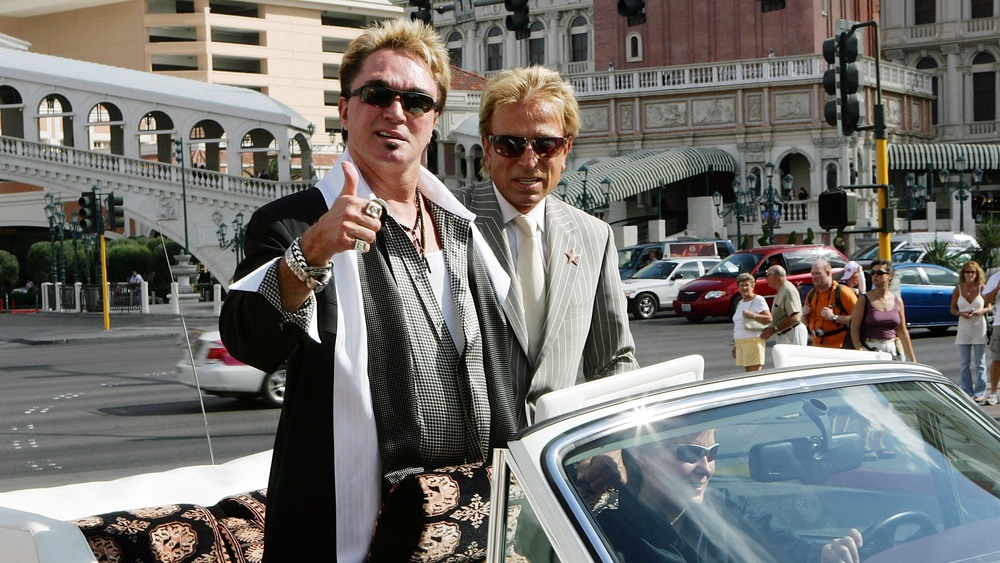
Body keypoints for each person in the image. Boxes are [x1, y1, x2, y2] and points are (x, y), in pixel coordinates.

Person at [219, 19, 519, 562]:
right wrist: (309, 254)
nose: (396, 112)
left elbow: (502, 374)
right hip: (350, 529)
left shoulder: (463, 228)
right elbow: (250, 339)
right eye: (377, 94)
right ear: (345, 108)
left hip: (468, 525)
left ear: (434, 119)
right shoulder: (293, 223)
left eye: (417, 101)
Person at [457, 65, 638, 425]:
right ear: (487, 148)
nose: (529, 160)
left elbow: (613, 358)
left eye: (545, 144)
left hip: (554, 458)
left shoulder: (593, 235)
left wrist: (616, 443)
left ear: (565, 149)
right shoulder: (445, 221)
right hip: (468, 463)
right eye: (510, 144)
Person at [597, 429, 864, 562]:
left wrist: (826, 554)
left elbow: (791, 550)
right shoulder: (607, 534)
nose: (706, 468)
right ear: (643, 457)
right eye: (689, 453)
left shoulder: (729, 509)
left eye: (712, 453)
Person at [848, 260, 916, 362]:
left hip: (892, 349)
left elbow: (902, 331)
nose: (875, 276)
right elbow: (854, 328)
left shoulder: (897, 301)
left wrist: (913, 359)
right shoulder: (864, 299)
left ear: (890, 276)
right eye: (873, 273)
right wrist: (860, 351)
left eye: (879, 273)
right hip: (871, 349)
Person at [951, 260, 990, 403]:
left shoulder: (982, 288)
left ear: (977, 273)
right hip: (964, 328)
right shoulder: (958, 289)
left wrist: (981, 310)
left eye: (972, 272)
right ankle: (967, 391)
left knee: (980, 362)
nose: (970, 275)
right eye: (967, 272)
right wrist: (960, 314)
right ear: (963, 274)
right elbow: (952, 309)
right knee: (964, 363)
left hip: (979, 327)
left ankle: (980, 391)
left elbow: (989, 306)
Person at [802, 260, 857, 348]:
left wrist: (833, 317)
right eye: (812, 274)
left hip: (840, 348)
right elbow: (806, 322)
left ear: (828, 273)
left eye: (817, 273)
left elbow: (858, 320)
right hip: (817, 347)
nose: (814, 277)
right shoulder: (811, 294)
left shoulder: (843, 292)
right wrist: (803, 316)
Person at [759, 265, 808, 346]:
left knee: (794, 359)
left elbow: (795, 317)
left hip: (793, 334)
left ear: (775, 276)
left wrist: (774, 329)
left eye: (767, 276)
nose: (766, 279)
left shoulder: (788, 290)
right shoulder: (780, 290)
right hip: (783, 334)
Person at [732, 272, 770, 372]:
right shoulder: (740, 302)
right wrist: (735, 344)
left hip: (753, 340)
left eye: (747, 285)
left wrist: (752, 315)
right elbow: (738, 324)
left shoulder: (758, 300)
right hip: (741, 342)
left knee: (754, 374)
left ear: (752, 286)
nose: (744, 288)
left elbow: (768, 318)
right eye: (741, 285)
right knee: (747, 373)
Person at [980, 267, 1000, 405]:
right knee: (997, 359)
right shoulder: (996, 277)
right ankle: (993, 392)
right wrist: (997, 288)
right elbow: (985, 299)